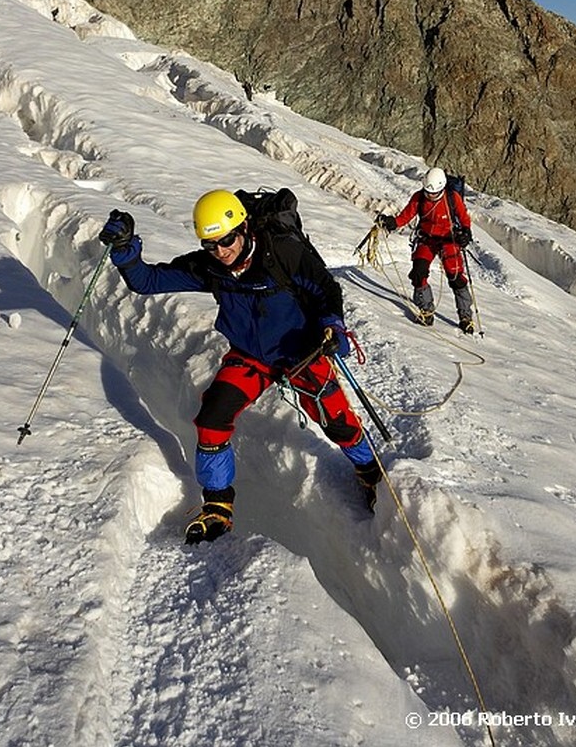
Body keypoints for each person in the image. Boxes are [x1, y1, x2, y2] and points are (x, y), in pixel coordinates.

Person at [99, 190, 381, 544]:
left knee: (335, 418)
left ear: (244, 228)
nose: (220, 251)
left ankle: (369, 470)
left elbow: (326, 291)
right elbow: (147, 281)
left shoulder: (284, 255)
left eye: (227, 240)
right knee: (212, 417)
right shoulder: (211, 267)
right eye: (210, 244)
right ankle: (217, 504)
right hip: (252, 357)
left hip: (301, 354)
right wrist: (125, 249)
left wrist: (332, 325)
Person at [376, 167, 474, 332]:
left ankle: (465, 316)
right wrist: (391, 222)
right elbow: (405, 216)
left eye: (434, 193)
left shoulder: (452, 198)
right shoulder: (419, 197)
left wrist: (466, 232)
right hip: (427, 239)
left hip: (449, 240)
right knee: (418, 272)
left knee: (455, 276)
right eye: (428, 192)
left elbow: (464, 218)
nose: (431, 196)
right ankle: (426, 310)